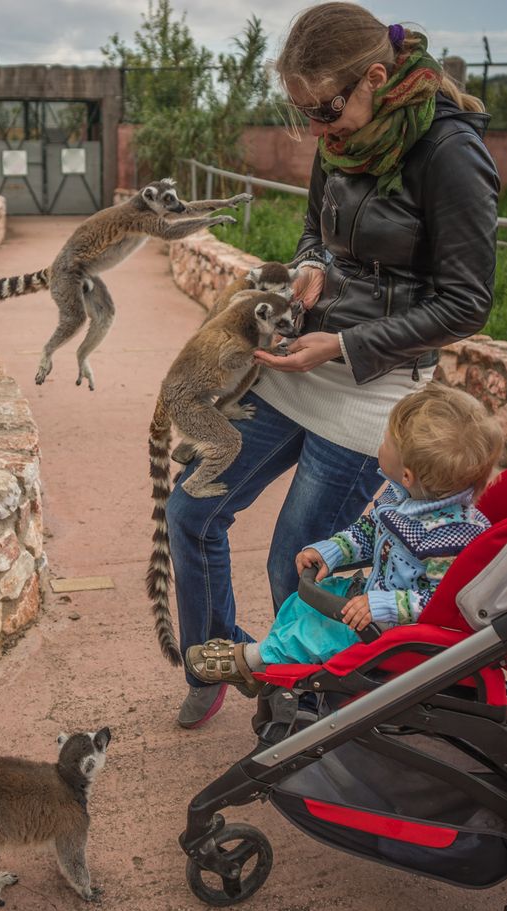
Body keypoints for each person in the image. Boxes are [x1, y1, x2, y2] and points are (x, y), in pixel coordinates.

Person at [167, 2, 501, 728]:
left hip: (367, 390)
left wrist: (347, 344)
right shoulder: (336, 138)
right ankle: (220, 655)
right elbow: (313, 233)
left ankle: (305, 717)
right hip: (295, 366)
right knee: (190, 511)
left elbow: (466, 305)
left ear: (375, 79)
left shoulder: (450, 152)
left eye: (322, 111)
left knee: (299, 564)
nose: (314, 131)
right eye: (301, 114)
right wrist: (310, 268)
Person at [183, 382, 504, 692]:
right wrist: (332, 551)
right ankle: (267, 660)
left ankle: (252, 661)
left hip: (394, 626)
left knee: (314, 633)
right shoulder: (405, 498)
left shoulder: (450, 537)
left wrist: (383, 605)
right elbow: (369, 531)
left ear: (407, 473)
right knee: (301, 602)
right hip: (370, 594)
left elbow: (440, 599)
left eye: (387, 441)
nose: (381, 443)